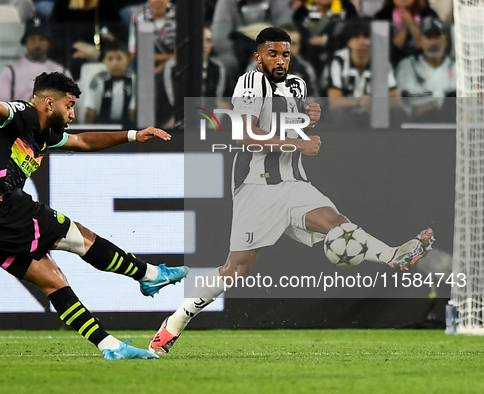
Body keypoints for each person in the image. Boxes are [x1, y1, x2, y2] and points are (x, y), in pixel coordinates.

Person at [148, 27, 434, 355]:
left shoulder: (297, 84)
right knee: (236, 269)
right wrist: (298, 142)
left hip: (294, 182)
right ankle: (173, 325)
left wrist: (310, 120)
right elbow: (244, 135)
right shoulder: (250, 84)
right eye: (273, 54)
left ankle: (393, 255)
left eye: (285, 54)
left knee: (337, 223)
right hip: (256, 186)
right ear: (258, 57)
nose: (281, 60)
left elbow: (290, 123)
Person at [0, 46, 189, 360]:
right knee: (77, 236)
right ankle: (148, 275)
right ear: (49, 102)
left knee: (53, 280)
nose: (73, 114)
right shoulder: (21, 115)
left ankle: (110, 347)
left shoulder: (43, 134)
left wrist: (132, 134)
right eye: (70, 105)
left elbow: (83, 141)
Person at [322, 19, 400, 116]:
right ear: (348, 42)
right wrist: (360, 102)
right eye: (356, 37)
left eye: (366, 37)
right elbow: (334, 102)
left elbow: (396, 100)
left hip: (372, 114)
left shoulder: (381, 62)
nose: (361, 42)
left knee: (397, 114)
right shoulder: (338, 61)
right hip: (345, 117)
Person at [211, 0, 292, 87]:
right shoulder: (226, 2)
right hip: (235, 50)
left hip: (269, 48)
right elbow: (220, 37)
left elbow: (285, 32)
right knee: (227, 61)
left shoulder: (278, 2)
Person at [157, 26, 227, 128]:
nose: (205, 45)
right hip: (176, 112)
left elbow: (216, 98)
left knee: (221, 111)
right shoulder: (172, 67)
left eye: (208, 41)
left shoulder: (217, 67)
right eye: (200, 41)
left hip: (206, 112)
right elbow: (172, 99)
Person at [395, 16, 455, 121]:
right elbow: (399, 105)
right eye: (428, 37)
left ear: (446, 39)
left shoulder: (458, 67)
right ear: (420, 40)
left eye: (437, 36)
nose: (433, 42)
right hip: (417, 128)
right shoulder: (407, 67)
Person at [0, 20, 71, 102]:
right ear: (25, 42)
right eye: (32, 39)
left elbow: (71, 108)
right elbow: (2, 107)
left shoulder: (62, 72)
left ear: (48, 43)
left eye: (41, 39)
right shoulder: (10, 71)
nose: (37, 44)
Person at [292, 0, 358, 77]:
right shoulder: (304, 9)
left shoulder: (347, 8)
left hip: (337, 58)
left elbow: (352, 35)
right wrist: (308, 41)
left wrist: (325, 40)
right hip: (310, 59)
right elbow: (297, 35)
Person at [85, 39, 135, 127]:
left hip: (126, 127)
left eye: (119, 58)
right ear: (104, 61)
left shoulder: (133, 79)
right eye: (110, 59)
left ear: (127, 59)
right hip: (101, 126)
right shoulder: (97, 80)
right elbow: (90, 111)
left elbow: (133, 112)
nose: (115, 63)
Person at [374, 0, 439, 66]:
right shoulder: (381, 16)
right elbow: (384, 54)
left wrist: (411, 23)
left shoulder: (429, 14)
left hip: (424, 66)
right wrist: (404, 27)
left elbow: (431, 48)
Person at [128, 0, 176, 74]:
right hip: (145, 69)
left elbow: (182, 54)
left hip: (174, 68)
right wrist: (168, 57)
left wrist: (160, 68)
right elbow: (133, 54)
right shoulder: (138, 15)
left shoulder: (180, 15)